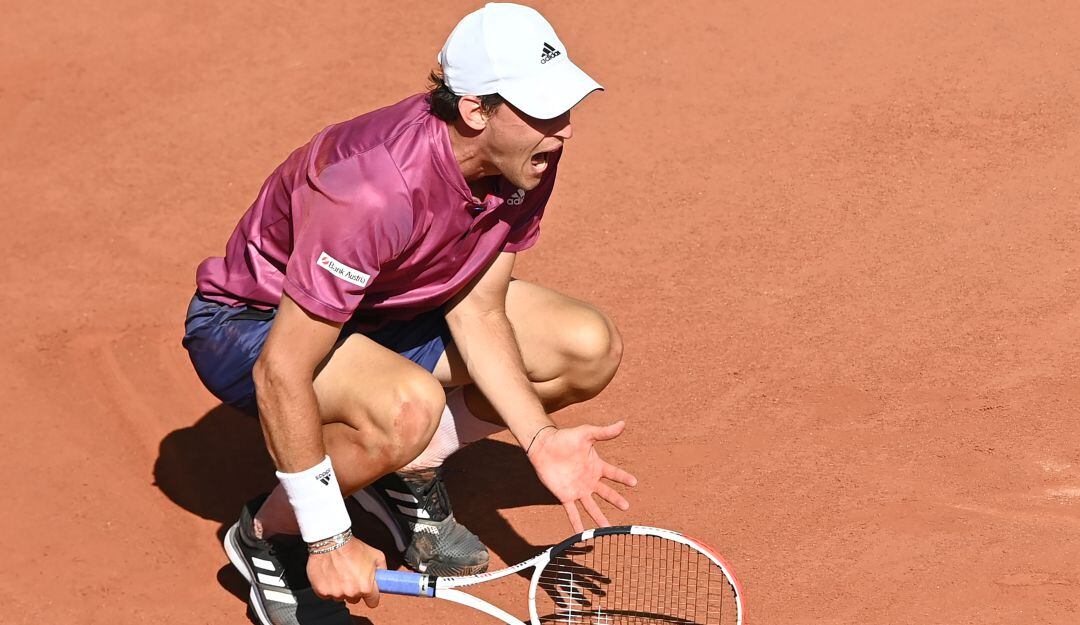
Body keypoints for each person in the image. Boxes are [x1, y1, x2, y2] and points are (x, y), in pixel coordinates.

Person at [182, 4, 636, 624]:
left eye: (563, 106)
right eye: (543, 109)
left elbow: (479, 309)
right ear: (476, 109)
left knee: (585, 346)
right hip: (255, 325)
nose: (563, 129)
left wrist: (540, 438)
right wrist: (328, 538)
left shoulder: (526, 158)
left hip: (386, 307)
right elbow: (280, 370)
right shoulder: (371, 188)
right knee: (407, 406)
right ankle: (271, 537)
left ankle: (408, 466)